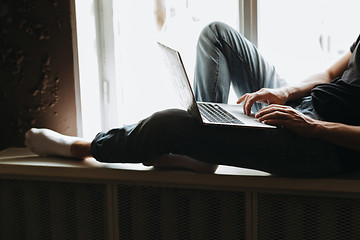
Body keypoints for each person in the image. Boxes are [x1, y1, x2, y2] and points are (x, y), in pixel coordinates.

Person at [25, 22, 360, 177]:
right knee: (217, 35)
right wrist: (286, 93)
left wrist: (315, 129)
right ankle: (204, 143)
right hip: (308, 108)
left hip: (322, 146)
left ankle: (82, 148)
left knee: (166, 123)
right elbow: (330, 73)